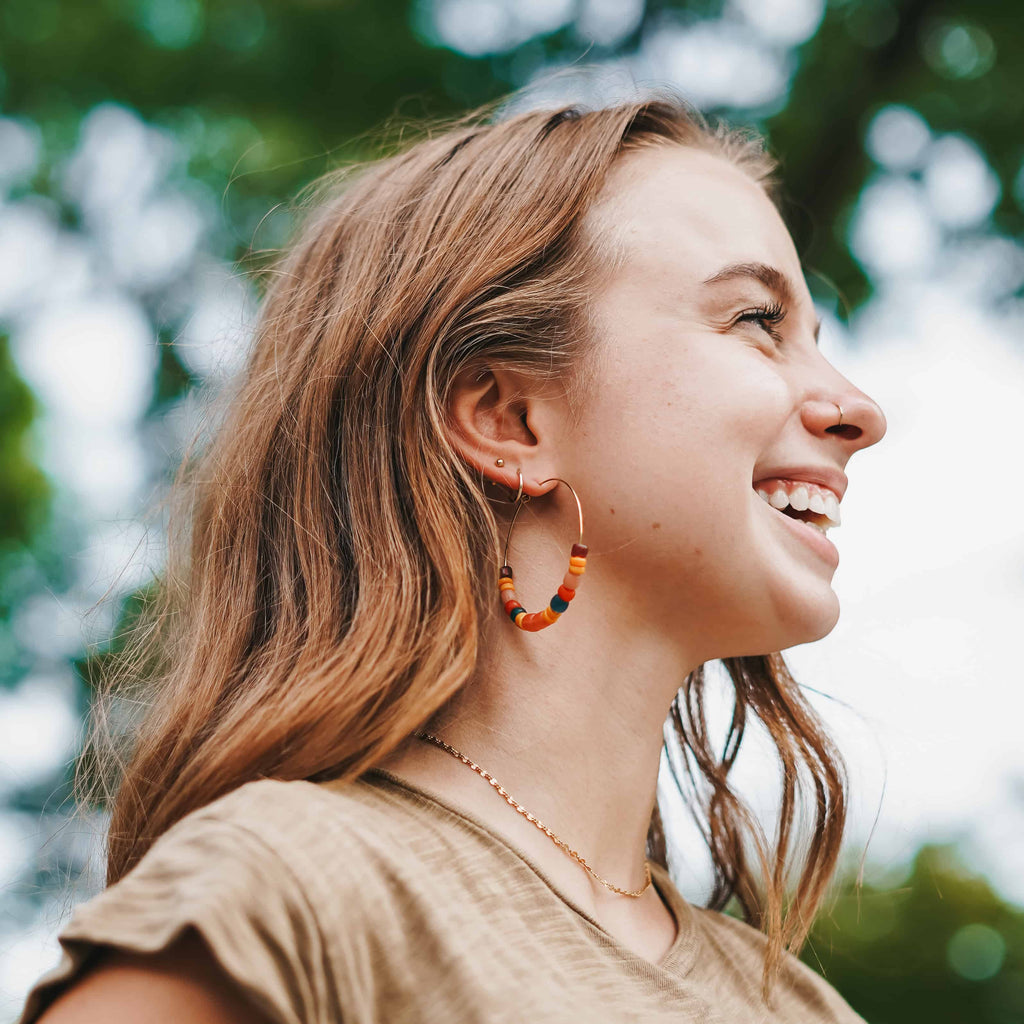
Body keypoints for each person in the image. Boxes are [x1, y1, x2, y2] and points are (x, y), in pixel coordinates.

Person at [18, 85, 886, 1024]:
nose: (858, 410)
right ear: (507, 418)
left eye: (815, 339)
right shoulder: (288, 900)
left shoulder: (800, 1008)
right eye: (757, 322)